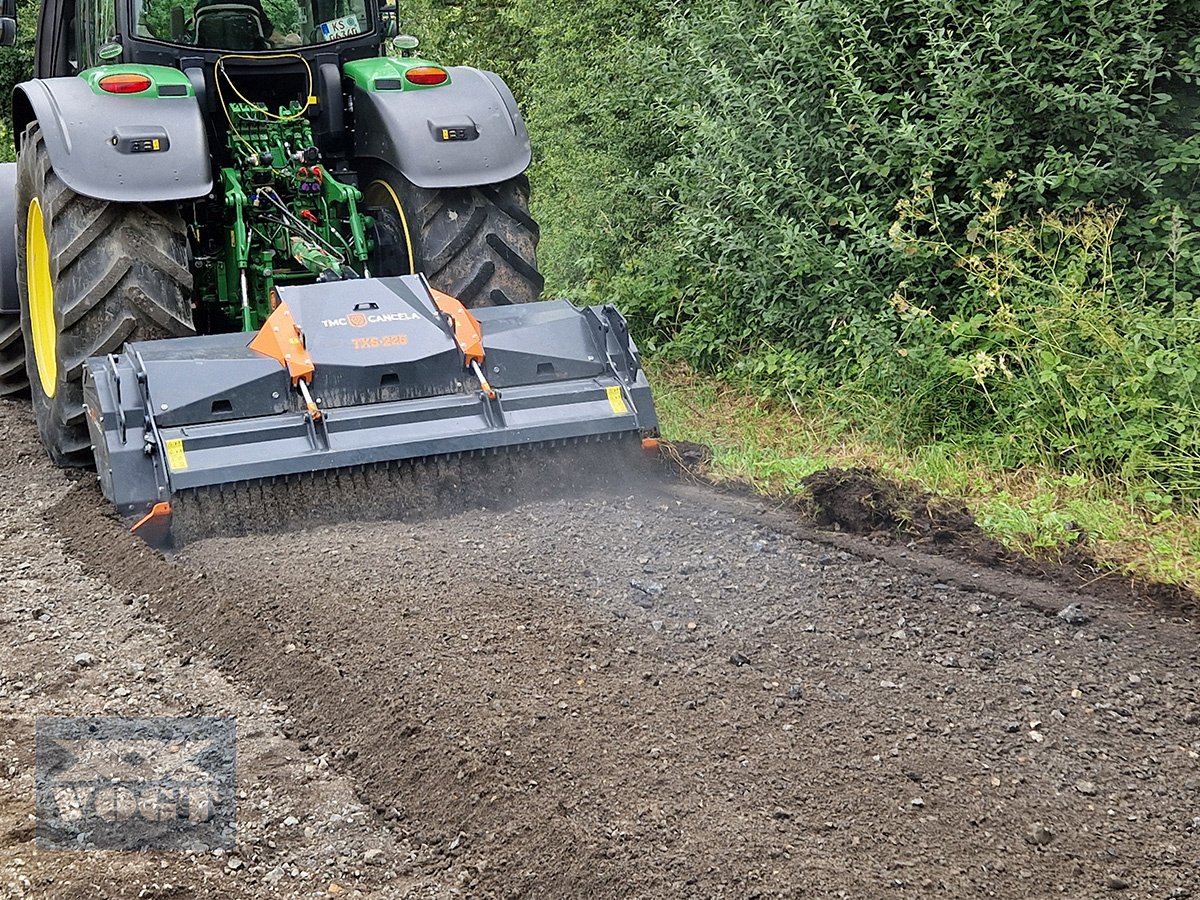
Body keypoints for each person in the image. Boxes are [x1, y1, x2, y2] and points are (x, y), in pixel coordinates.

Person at [192, 0, 302, 48]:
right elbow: (269, 34)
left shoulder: (203, 5)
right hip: (250, 64)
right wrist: (287, 40)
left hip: (211, 65)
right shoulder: (251, 2)